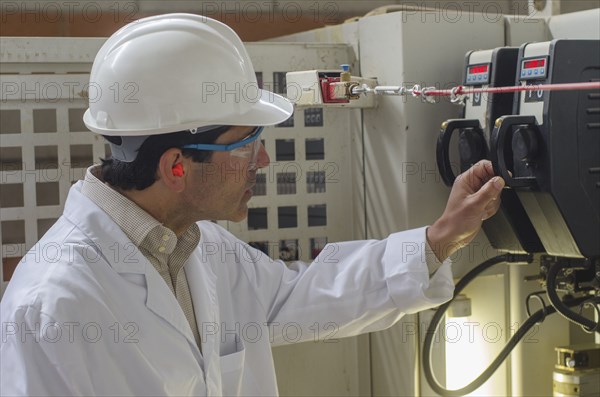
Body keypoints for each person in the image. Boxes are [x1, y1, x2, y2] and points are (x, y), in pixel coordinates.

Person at [0, 14, 504, 396]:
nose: (262, 157)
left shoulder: (199, 247)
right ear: (176, 165)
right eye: (245, 143)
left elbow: (301, 296)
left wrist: (439, 240)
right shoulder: (53, 308)